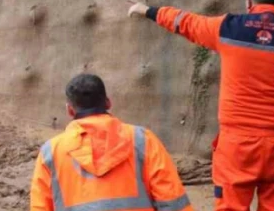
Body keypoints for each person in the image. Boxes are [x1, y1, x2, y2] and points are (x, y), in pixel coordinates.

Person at [124, 0, 274, 211]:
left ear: (249, 2)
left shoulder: (228, 28)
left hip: (238, 145)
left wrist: (147, 10)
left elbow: (184, 22)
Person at [30, 73, 193, 211]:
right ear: (108, 102)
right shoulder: (143, 140)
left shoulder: (50, 153)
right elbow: (173, 203)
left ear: (70, 110)